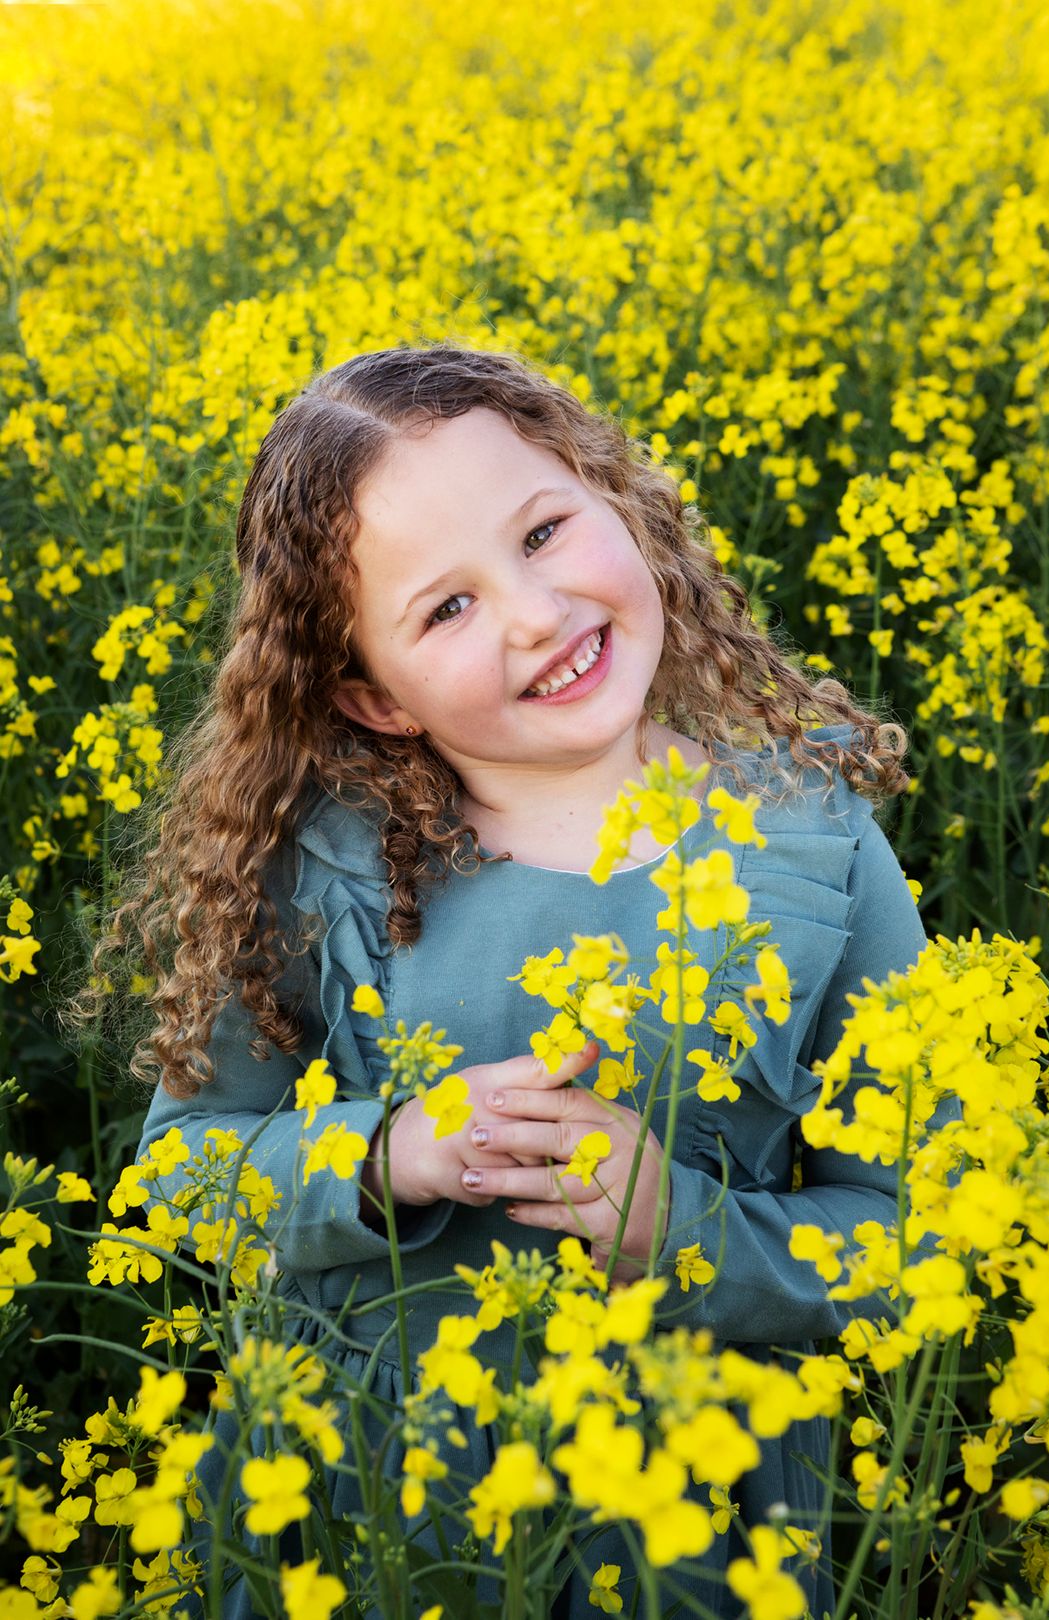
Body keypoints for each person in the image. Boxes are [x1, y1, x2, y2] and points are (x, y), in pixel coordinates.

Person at [102, 343, 933, 1617]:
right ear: (374, 699)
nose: (536, 615)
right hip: (384, 1500)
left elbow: (911, 1231)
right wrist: (385, 1155)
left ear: (622, 501)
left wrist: (688, 1231)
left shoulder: (817, 844)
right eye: (448, 609)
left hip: (695, 1512)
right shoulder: (326, 863)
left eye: (545, 533)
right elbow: (180, 1169)